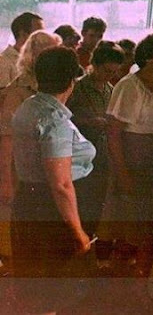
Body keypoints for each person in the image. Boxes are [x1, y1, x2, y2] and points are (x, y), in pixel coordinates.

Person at [10, 46, 95, 314]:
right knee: (56, 293)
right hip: (51, 213)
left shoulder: (28, 106)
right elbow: (60, 185)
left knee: (35, 290)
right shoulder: (55, 120)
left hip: (28, 202)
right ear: (72, 80)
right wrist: (79, 233)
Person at [106, 33, 153, 312]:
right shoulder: (128, 86)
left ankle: (140, 291)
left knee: (151, 234)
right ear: (148, 57)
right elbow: (113, 134)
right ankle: (121, 295)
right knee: (129, 232)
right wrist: (122, 174)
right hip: (135, 168)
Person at [0, 30, 61, 275]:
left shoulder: (49, 86)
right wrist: (5, 181)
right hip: (22, 174)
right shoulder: (19, 90)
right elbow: (7, 140)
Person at [67, 41, 125, 267]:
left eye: (114, 72)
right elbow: (66, 119)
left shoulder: (110, 90)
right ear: (94, 65)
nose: (110, 75)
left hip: (103, 158)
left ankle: (91, 253)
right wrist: (91, 121)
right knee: (83, 206)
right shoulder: (77, 87)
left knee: (100, 207)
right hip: (81, 158)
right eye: (107, 71)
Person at [0, 12, 44, 89]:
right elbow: (3, 97)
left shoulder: (38, 59)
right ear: (23, 34)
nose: (43, 38)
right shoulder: (4, 62)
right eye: (39, 33)